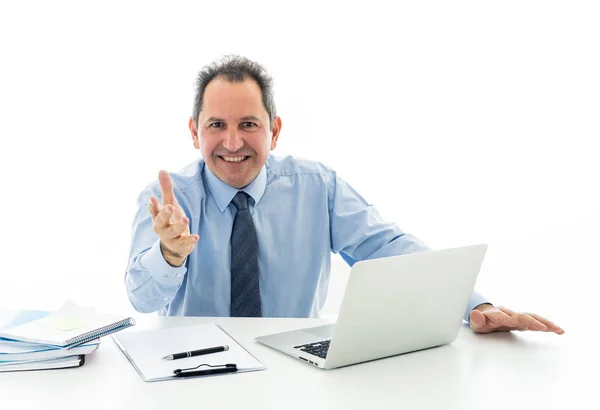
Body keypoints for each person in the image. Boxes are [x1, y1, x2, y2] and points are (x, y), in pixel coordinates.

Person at [125, 55, 563, 335]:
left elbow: (388, 248)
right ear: (194, 131)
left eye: (249, 125)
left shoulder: (317, 187)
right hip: (195, 373)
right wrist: (169, 254)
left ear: (274, 131)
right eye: (216, 125)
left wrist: (476, 305)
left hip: (291, 365)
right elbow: (142, 300)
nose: (233, 142)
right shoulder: (166, 202)